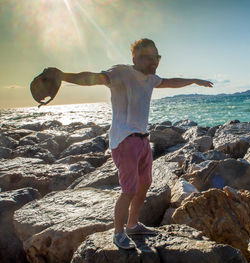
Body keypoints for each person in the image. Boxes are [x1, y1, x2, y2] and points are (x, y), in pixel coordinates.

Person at [43, 38, 213, 250]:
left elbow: (171, 81)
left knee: (144, 185)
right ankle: (118, 233)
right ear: (135, 58)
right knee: (128, 190)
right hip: (124, 141)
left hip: (143, 139)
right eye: (148, 57)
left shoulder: (151, 79)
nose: (154, 62)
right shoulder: (120, 72)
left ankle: (132, 225)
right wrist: (62, 75)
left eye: (156, 57)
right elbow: (93, 78)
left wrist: (195, 80)